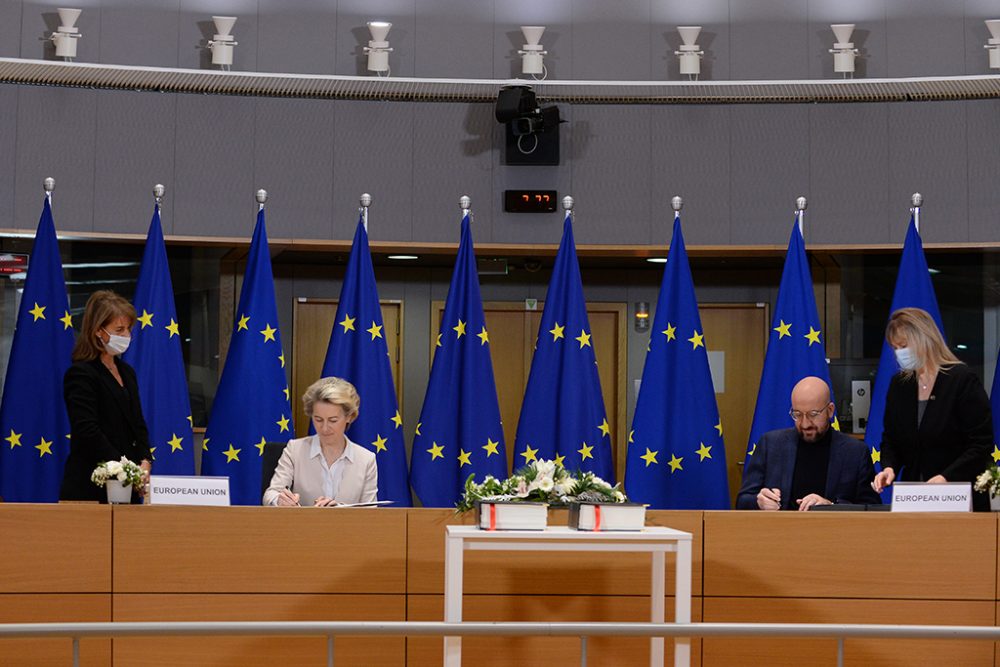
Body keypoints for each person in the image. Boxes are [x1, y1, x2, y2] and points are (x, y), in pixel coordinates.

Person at [872, 307, 993, 511]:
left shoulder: (961, 380)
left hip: (960, 497)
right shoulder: (899, 385)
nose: (899, 353)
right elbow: (891, 439)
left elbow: (981, 444)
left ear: (924, 339)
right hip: (914, 498)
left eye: (904, 346)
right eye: (895, 348)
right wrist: (888, 467)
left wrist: (946, 477)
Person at [61, 291, 152, 502]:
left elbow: (138, 423)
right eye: (119, 329)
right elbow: (87, 430)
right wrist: (125, 467)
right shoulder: (81, 373)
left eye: (128, 328)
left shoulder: (127, 372)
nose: (126, 335)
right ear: (98, 332)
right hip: (91, 484)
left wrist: (145, 460)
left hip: (128, 485)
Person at [737, 376, 881, 510]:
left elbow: (871, 507)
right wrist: (759, 501)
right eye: (798, 415)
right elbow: (742, 500)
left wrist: (831, 506)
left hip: (833, 534)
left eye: (813, 414)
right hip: (779, 533)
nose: (805, 424)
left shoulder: (855, 452)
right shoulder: (770, 444)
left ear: (830, 411)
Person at [263, 377, 378, 507]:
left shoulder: (366, 459)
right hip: (302, 526)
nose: (324, 428)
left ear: (349, 417)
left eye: (333, 420)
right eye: (318, 419)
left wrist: (339, 510)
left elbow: (370, 512)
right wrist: (279, 500)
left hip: (346, 527)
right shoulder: (294, 450)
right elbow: (270, 494)